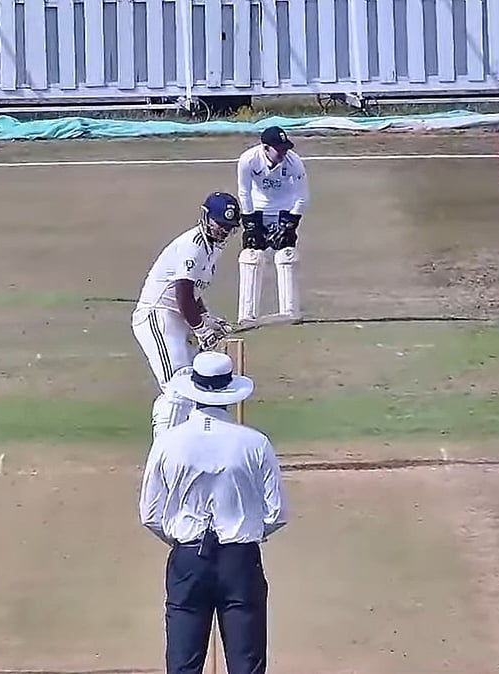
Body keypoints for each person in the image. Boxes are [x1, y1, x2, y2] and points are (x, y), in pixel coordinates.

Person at [139, 350, 288, 674]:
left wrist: (184, 542)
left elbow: (150, 514)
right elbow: (276, 513)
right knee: (246, 664)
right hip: (240, 560)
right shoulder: (255, 443)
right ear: (229, 393)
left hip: (188, 559)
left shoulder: (167, 443)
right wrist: (245, 531)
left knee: (183, 663)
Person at [132, 192, 242, 438]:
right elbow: (182, 293)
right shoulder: (194, 246)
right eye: (220, 225)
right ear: (206, 217)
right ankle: (166, 452)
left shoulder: (212, 248)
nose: (224, 231)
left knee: (196, 386)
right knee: (178, 386)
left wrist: (207, 319)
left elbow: (193, 294)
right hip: (157, 317)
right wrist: (201, 328)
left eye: (229, 228)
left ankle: (191, 445)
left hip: (177, 319)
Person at [236, 125, 309, 324]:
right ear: (266, 147)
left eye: (285, 148)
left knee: (287, 256)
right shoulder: (248, 160)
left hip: (284, 209)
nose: (284, 153)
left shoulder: (294, 162)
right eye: (279, 149)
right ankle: (246, 315)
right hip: (258, 209)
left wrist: (290, 223)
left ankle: (289, 312)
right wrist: (250, 222)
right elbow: (244, 192)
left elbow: (302, 197)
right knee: (251, 257)